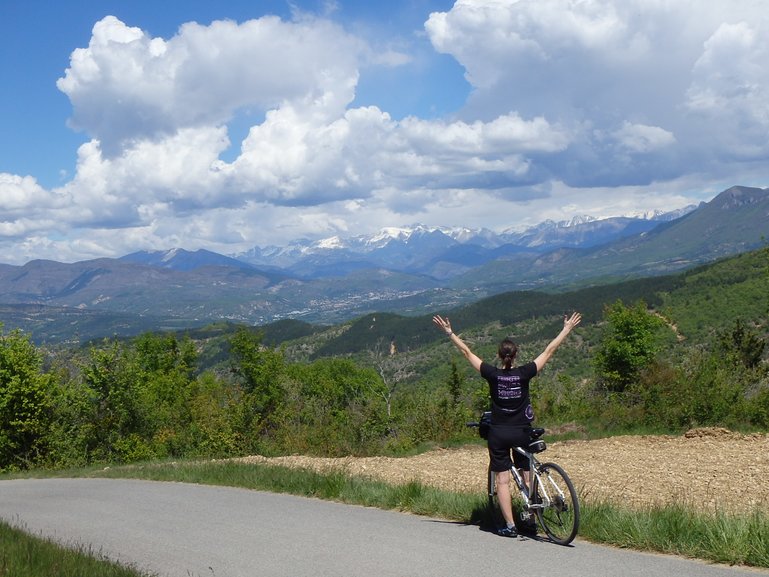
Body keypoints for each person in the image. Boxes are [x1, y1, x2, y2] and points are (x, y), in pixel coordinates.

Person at [432, 311, 582, 537]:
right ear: (516, 355)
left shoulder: (492, 374)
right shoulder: (525, 373)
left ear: (499, 356)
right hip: (522, 432)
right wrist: (567, 329)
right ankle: (531, 519)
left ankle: (511, 526)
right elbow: (549, 350)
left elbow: (466, 352)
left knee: (502, 480)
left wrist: (450, 333)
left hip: (499, 435)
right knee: (526, 472)